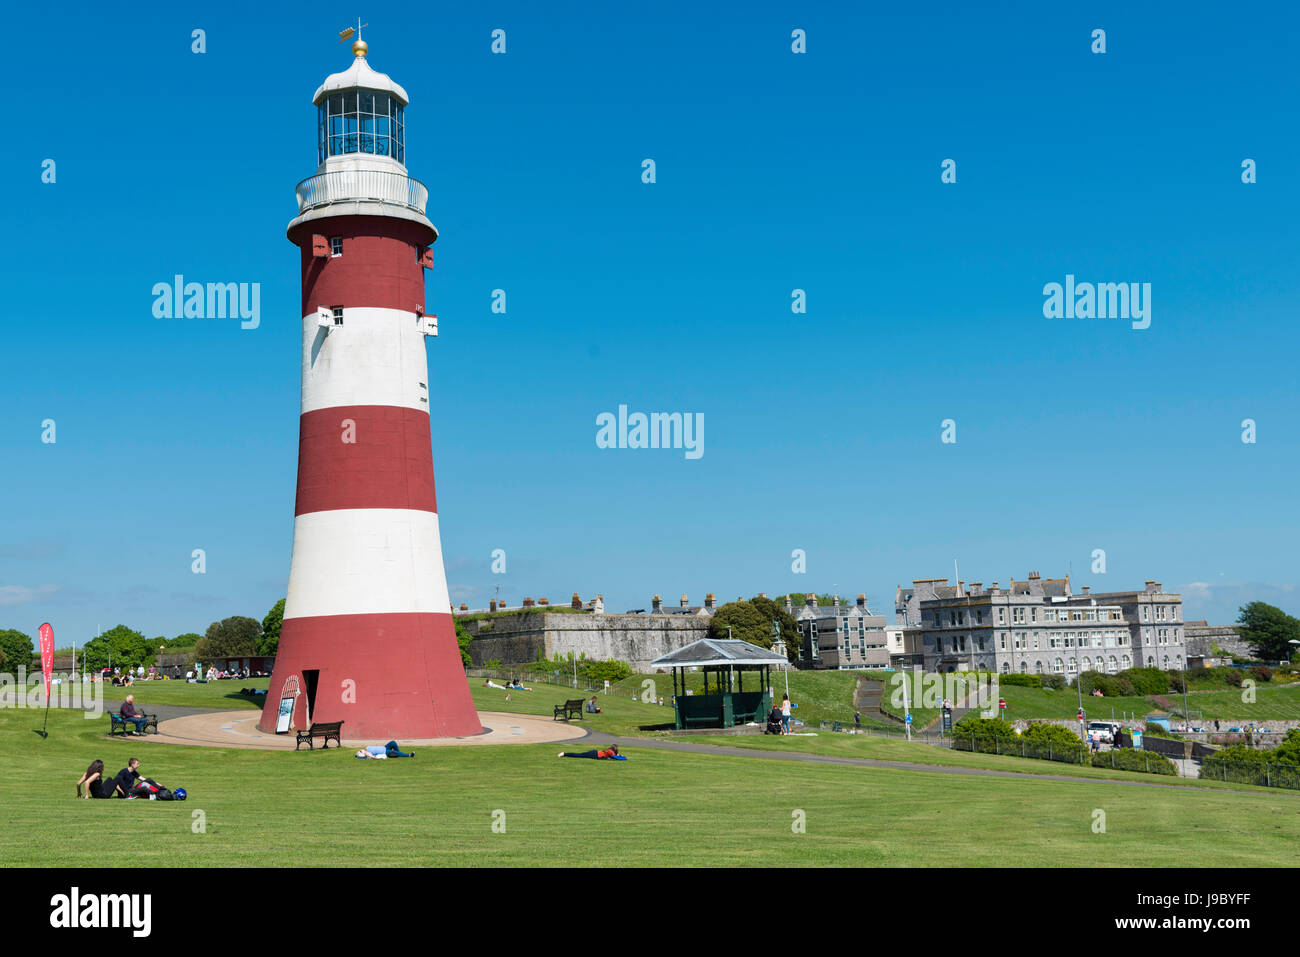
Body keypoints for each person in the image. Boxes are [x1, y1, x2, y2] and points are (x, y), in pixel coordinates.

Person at [557, 746, 624, 760]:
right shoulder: (611, 751)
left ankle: (564, 754)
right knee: (579, 755)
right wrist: (621, 756)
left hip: (595, 753)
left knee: (580, 755)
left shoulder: (609, 751)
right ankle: (564, 753)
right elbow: (616, 757)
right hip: (594, 754)